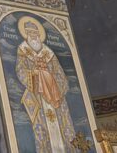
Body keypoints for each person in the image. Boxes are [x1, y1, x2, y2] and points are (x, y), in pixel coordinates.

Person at [15, 17, 75, 152]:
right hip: (37, 94)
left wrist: (53, 81)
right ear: (26, 34)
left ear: (39, 34)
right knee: (41, 127)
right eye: (30, 33)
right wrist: (33, 73)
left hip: (53, 93)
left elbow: (59, 72)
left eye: (35, 33)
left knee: (62, 124)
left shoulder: (48, 52)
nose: (33, 35)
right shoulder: (23, 50)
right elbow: (20, 69)